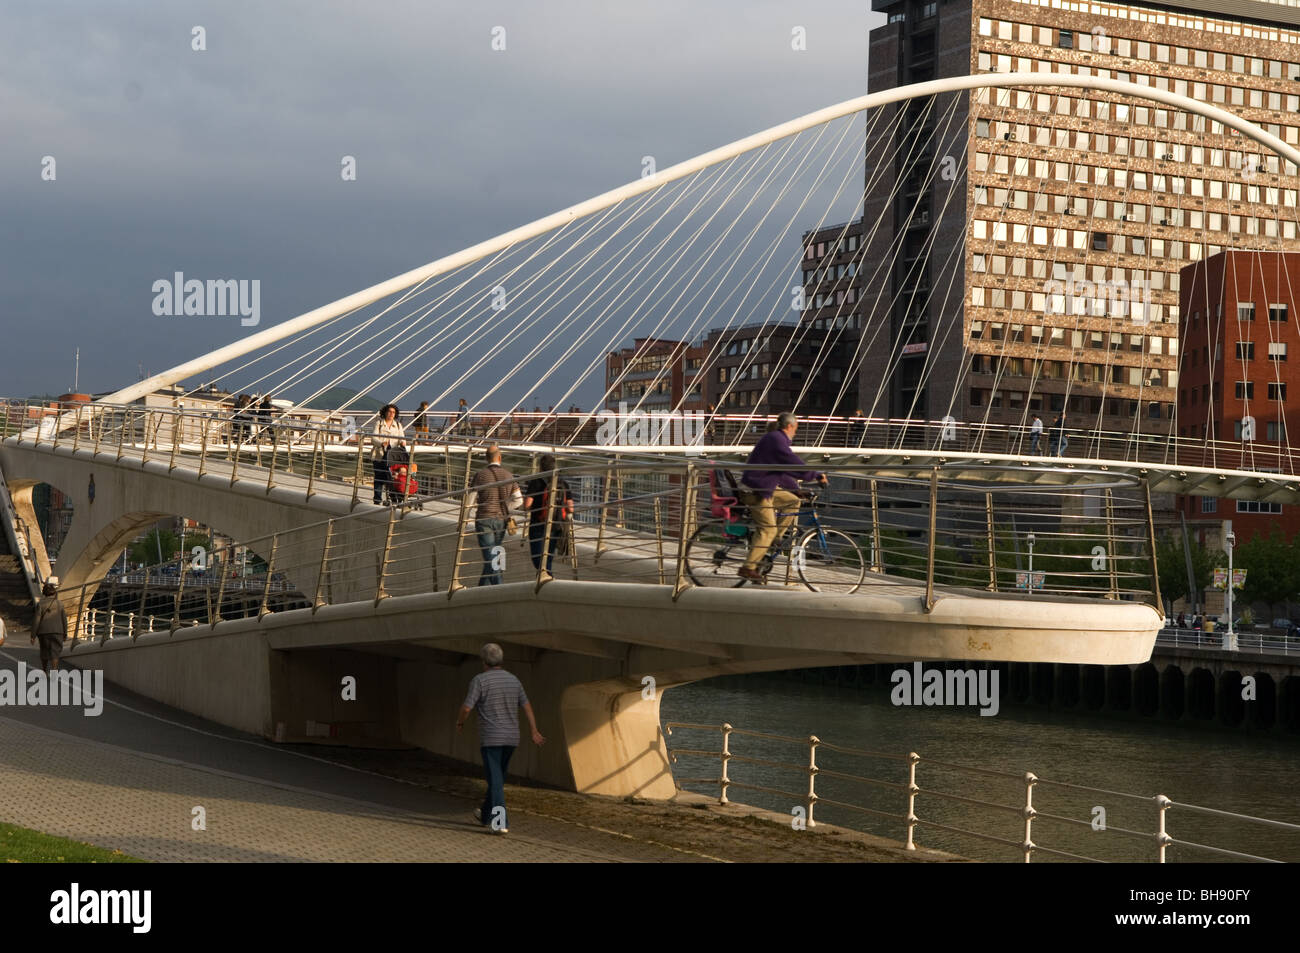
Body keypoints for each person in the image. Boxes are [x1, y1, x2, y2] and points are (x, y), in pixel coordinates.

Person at [456, 643, 544, 835]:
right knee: (498, 779)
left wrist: (460, 722)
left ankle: (500, 822)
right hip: (512, 738)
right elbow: (527, 706)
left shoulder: (479, 681)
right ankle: (485, 815)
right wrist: (534, 730)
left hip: (491, 739)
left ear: (483, 661)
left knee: (495, 781)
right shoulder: (514, 680)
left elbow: (466, 708)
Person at [739, 413, 826, 583]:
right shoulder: (776, 439)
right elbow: (791, 462)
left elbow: (781, 471)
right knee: (767, 530)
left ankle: (775, 539)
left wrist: (796, 490)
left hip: (764, 487)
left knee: (793, 501)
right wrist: (816, 475)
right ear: (790, 426)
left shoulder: (776, 439)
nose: (795, 432)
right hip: (756, 491)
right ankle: (748, 567)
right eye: (796, 428)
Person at [470, 445, 519, 586]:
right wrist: (505, 507)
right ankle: (481, 590)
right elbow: (519, 499)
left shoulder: (480, 475)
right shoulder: (509, 475)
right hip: (501, 520)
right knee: (495, 555)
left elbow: (470, 500)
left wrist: (464, 518)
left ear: (486, 458)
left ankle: (499, 587)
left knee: (491, 557)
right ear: (500, 458)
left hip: (484, 519)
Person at [523, 453, 572, 578]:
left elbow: (527, 505)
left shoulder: (536, 481)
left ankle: (546, 576)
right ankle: (547, 576)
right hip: (555, 525)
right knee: (548, 557)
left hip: (538, 524)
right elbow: (570, 507)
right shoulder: (562, 483)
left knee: (537, 556)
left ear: (540, 467)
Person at [371, 403, 405, 505]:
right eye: (389, 411)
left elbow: (401, 438)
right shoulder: (379, 423)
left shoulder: (398, 425)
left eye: (393, 412)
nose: (391, 414)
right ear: (385, 412)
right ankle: (377, 500)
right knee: (379, 477)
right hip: (380, 455)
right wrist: (381, 443)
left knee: (391, 478)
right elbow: (373, 438)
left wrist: (403, 443)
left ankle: (393, 499)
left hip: (392, 456)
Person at [31, 578, 67, 674]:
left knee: (44, 651)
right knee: (55, 652)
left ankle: (44, 671)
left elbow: (36, 620)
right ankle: (54, 671)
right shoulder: (60, 604)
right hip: (57, 631)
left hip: (43, 632)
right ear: (54, 593)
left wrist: (33, 635)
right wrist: (65, 633)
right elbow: (64, 619)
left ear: (44, 593)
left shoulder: (40, 604)